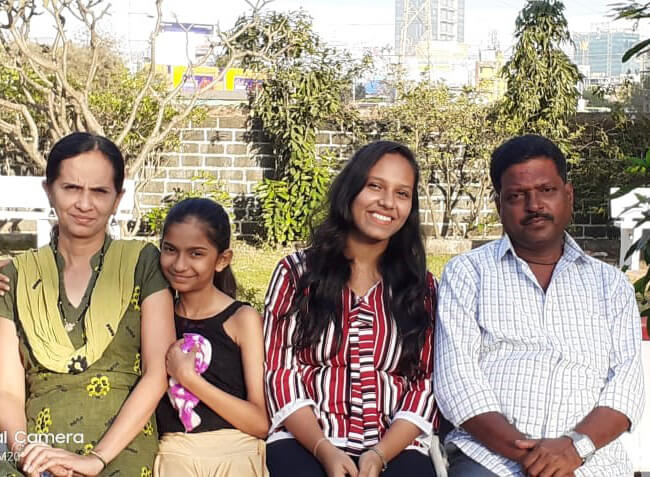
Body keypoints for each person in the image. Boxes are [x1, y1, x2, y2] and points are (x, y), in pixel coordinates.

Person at [433, 134, 645, 477]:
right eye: (517, 196)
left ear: (568, 195)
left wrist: (574, 450)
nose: (534, 205)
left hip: (591, 461)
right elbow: (457, 380)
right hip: (491, 460)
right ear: (499, 203)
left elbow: (627, 385)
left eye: (546, 190)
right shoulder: (469, 273)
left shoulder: (610, 284)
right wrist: (535, 457)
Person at [0, 132, 175, 476]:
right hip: (33, 445)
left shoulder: (142, 263)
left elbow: (157, 374)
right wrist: (24, 452)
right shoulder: (16, 276)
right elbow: (7, 389)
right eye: (71, 188)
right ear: (48, 190)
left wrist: (96, 459)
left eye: (99, 191)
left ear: (117, 197)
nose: (84, 204)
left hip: (121, 446)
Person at [263, 141, 439, 477]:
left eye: (402, 194)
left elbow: (424, 385)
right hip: (306, 440)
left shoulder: (421, 288)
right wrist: (324, 451)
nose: (387, 202)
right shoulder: (296, 274)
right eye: (375, 186)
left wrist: (378, 455)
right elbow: (281, 374)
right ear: (351, 190)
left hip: (394, 446)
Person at [154, 198, 269, 476]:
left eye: (196, 254)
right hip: (175, 455)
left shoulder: (241, 320)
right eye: (170, 250)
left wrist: (189, 378)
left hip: (236, 453)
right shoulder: (157, 317)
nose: (180, 264)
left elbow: (259, 422)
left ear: (222, 260)